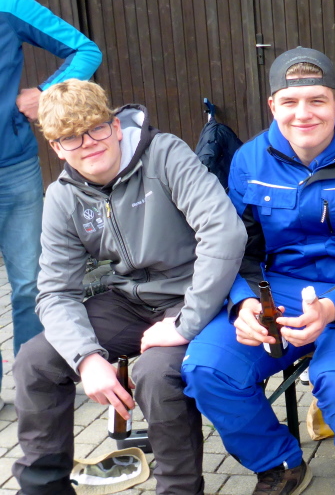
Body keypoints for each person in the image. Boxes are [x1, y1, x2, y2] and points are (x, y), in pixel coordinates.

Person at [181, 47, 335, 495]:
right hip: (275, 292)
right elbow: (236, 253)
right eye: (289, 102)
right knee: (206, 368)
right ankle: (278, 463)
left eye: (316, 100)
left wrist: (330, 307)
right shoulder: (249, 160)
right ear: (273, 105)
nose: (303, 114)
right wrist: (241, 302)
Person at [12, 79, 246, 494]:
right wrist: (87, 358)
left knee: (155, 376)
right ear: (56, 148)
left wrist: (186, 324)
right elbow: (56, 291)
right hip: (129, 300)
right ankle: (43, 488)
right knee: (35, 361)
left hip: (194, 294)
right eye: (71, 137)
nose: (88, 144)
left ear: (116, 125)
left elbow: (224, 233)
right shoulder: (63, 197)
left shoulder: (165, 154)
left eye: (96, 128)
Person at [0, 0, 101, 397]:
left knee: (30, 282)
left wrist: (45, 92)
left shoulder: (9, 5)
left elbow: (85, 50)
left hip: (13, 169)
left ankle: (37, 386)